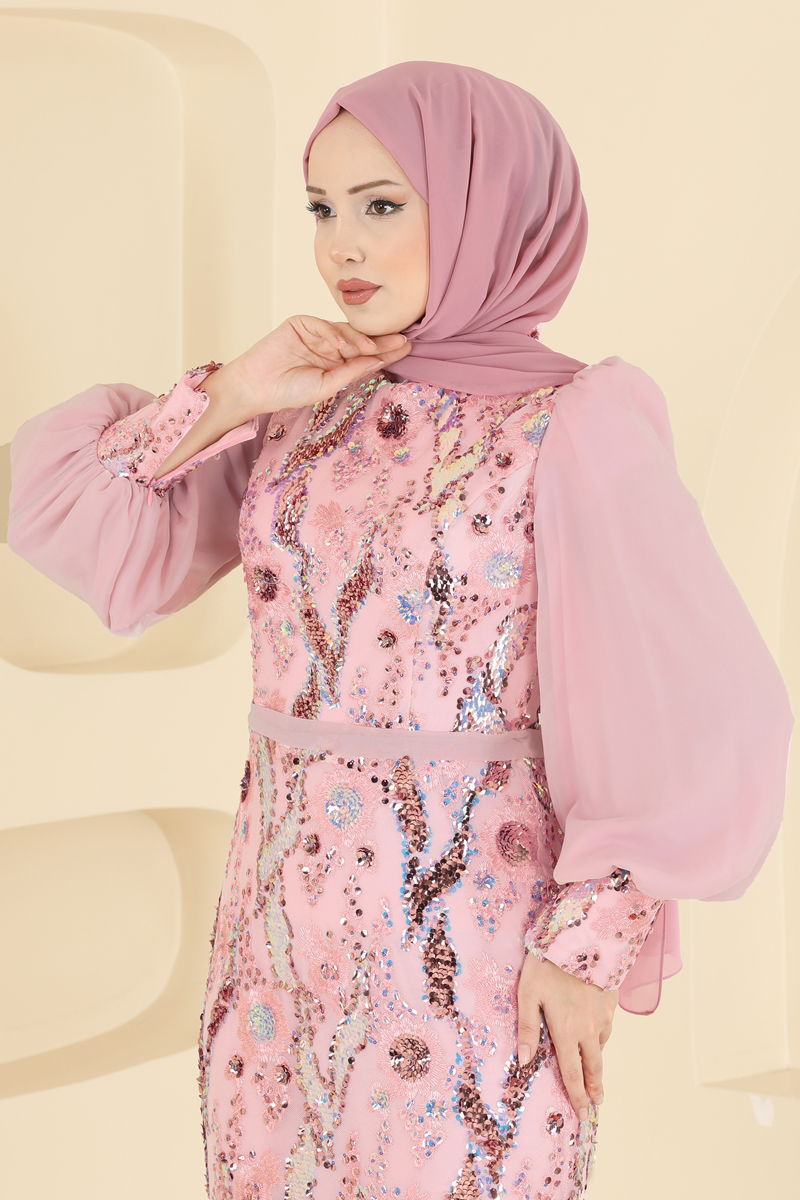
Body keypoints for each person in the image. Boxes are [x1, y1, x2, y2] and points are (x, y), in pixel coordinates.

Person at [7, 59, 793, 1200]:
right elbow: (70, 516)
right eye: (321, 209)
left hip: (472, 934)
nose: (342, 247)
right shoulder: (303, 406)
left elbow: (694, 706)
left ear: (487, 204)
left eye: (381, 205)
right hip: (276, 933)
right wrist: (234, 390)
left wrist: (586, 948)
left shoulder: (572, 421)